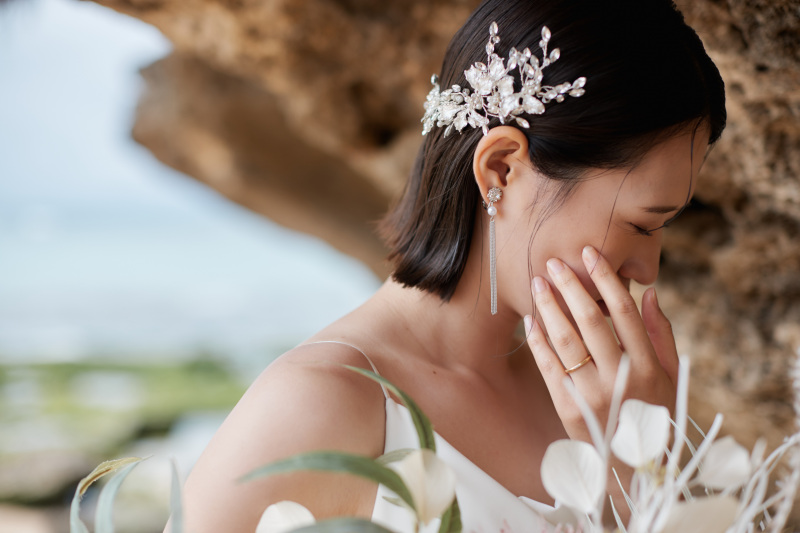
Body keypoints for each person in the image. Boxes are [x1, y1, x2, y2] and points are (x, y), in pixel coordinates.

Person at [175, 0, 726, 531]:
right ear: (501, 170)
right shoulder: (319, 405)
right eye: (642, 223)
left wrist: (643, 474)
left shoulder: (597, 398)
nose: (648, 270)